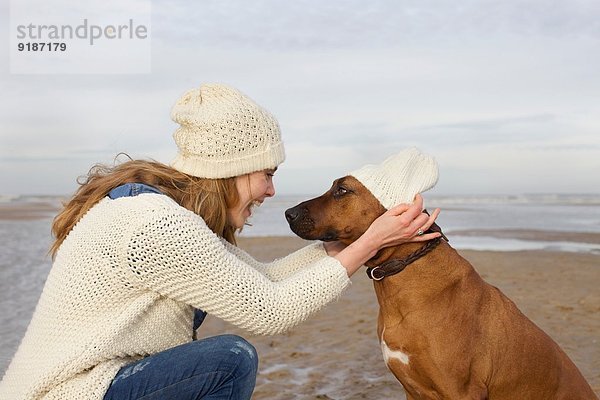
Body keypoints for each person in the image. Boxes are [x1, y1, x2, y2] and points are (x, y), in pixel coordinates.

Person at [0, 84, 441, 400]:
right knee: (228, 358)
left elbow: (262, 278)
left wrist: (345, 243)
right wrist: (369, 245)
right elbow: (271, 311)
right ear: (231, 168)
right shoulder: (155, 225)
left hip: (98, 383)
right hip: (69, 392)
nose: (271, 191)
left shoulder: (163, 215)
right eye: (267, 174)